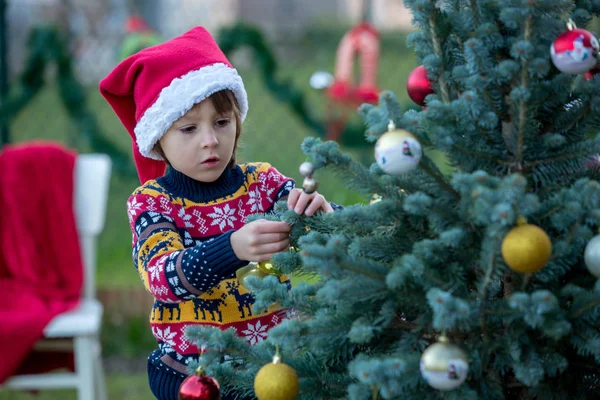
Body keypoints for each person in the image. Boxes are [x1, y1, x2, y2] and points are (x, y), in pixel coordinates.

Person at [99, 26, 338, 400]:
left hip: (272, 368)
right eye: (189, 128)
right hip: (192, 376)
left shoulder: (261, 182)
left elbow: (317, 222)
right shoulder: (153, 203)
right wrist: (234, 248)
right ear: (158, 138)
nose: (210, 140)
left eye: (222, 122)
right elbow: (161, 277)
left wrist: (322, 214)